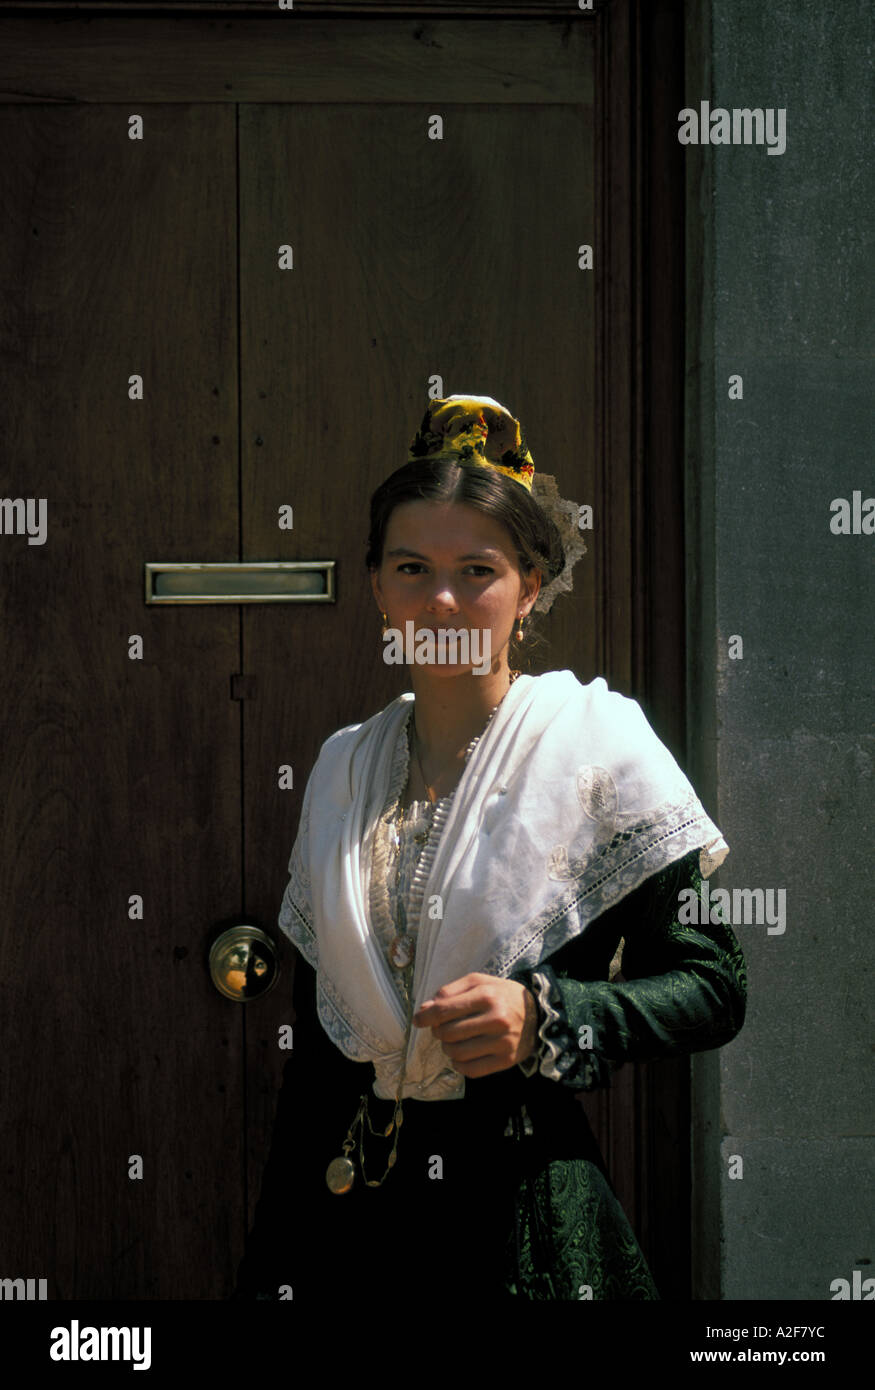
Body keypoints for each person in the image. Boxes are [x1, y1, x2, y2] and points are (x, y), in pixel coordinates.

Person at [232, 394, 747, 1302]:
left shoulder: (596, 745)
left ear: (529, 587)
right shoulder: (342, 769)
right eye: (411, 568)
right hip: (350, 1226)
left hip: (522, 1225)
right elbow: (318, 1056)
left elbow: (713, 986)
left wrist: (545, 1017)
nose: (442, 600)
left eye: (477, 569)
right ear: (377, 589)